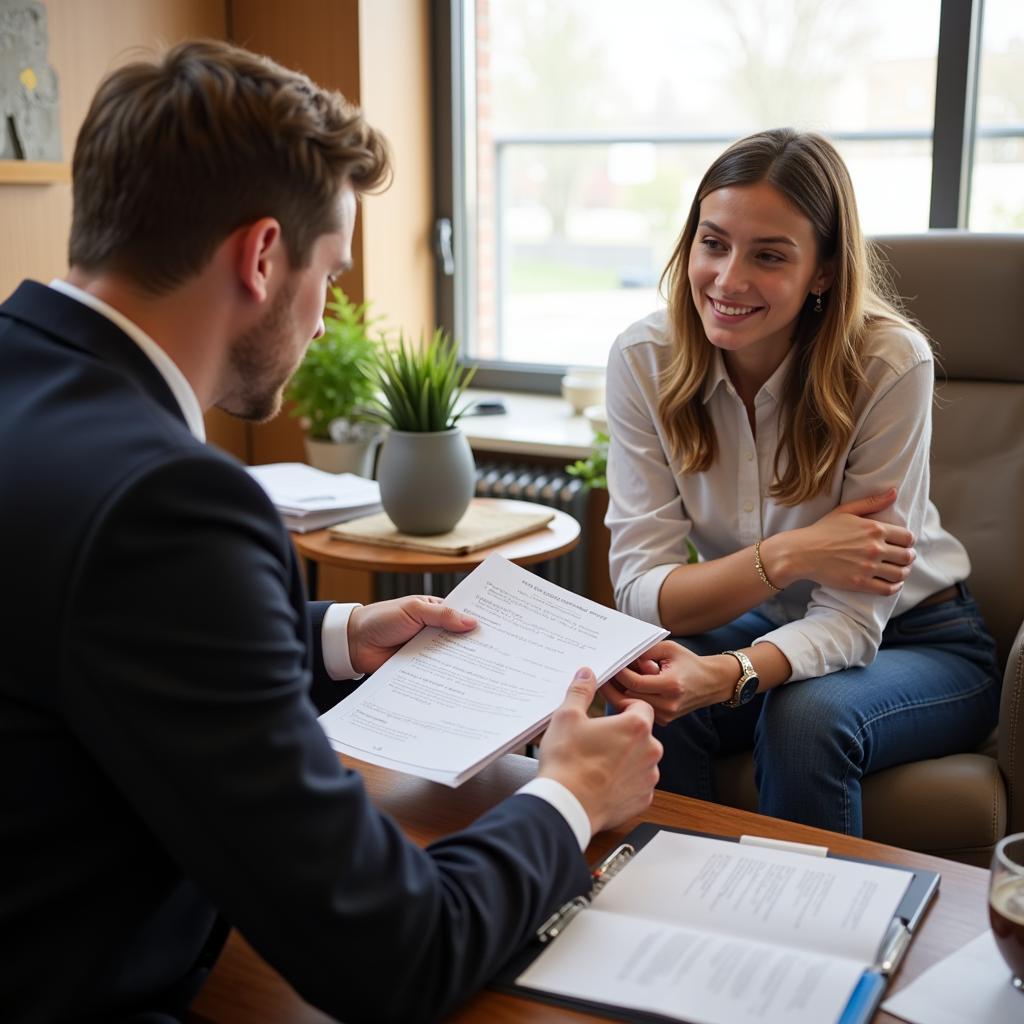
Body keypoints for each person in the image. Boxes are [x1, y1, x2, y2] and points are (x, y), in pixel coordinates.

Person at [0, 40, 663, 1023]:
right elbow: (395, 951)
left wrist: (332, 637)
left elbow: (55, 626)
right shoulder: (169, 503)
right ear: (263, 256)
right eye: (333, 273)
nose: (325, 317)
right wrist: (570, 796)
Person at [601, 128, 1000, 837]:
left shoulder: (887, 361)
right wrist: (794, 554)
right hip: (776, 613)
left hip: (921, 637)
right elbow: (640, 589)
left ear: (822, 271)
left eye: (769, 256)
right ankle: (665, 910)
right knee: (645, 682)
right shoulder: (644, 359)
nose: (727, 280)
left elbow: (849, 618)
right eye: (713, 243)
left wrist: (726, 674)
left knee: (804, 718)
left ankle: (808, 939)